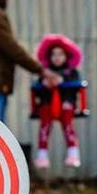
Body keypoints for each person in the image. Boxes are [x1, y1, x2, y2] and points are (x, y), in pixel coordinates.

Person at [33, 34, 83, 168]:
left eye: (60, 54)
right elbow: (37, 88)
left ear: (67, 56)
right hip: (47, 104)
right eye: (53, 54)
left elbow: (76, 86)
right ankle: (42, 156)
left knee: (68, 125)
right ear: (49, 57)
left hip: (65, 104)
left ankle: (73, 153)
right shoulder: (45, 72)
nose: (57, 57)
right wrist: (43, 83)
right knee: (45, 126)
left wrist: (63, 81)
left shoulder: (71, 72)